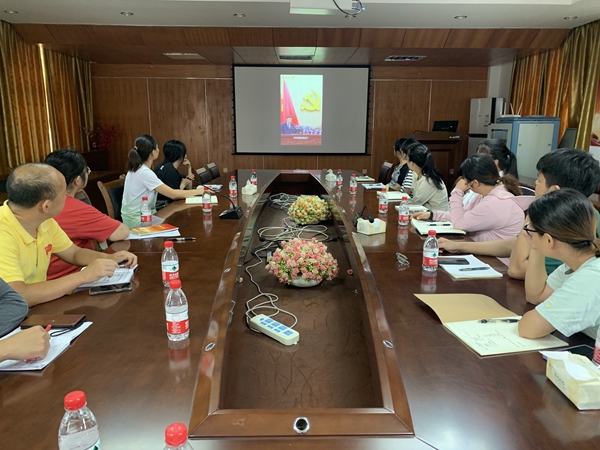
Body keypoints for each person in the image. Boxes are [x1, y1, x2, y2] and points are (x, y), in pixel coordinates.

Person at [437, 149, 600, 277]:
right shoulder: (587, 212)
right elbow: (513, 244)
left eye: (539, 180)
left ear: (554, 191)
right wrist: (460, 246)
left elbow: (517, 269)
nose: (535, 183)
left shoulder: (565, 220)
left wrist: (533, 214)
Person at [0, 163, 137, 307]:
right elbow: (18, 296)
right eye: (63, 194)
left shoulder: (44, 221)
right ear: (46, 206)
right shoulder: (4, 234)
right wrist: (83, 276)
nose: (67, 198)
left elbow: (73, 253)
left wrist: (109, 258)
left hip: (39, 306)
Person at [518, 189, 600, 339]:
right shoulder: (578, 260)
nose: (526, 234)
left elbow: (529, 329)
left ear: (549, 240)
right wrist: (536, 247)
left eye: (530, 230)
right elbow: (536, 296)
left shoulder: (591, 277)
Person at [44, 150, 130, 280]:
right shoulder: (73, 208)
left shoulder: (43, 205)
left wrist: (109, 257)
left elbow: (74, 253)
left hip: (55, 279)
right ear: (77, 180)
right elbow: (121, 232)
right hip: (71, 279)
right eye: (87, 171)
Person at [413, 153, 530, 242]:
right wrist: (433, 215)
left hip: (496, 261)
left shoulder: (496, 202)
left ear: (475, 183)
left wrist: (457, 192)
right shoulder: (485, 195)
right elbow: (463, 215)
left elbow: (459, 223)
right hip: (480, 250)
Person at [121, 134, 206, 228]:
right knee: (179, 226)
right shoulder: (144, 172)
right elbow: (173, 194)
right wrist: (201, 190)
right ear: (153, 152)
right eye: (157, 147)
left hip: (143, 216)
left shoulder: (136, 169)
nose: (158, 150)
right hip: (138, 221)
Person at [463, 140, 519, 206]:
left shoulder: (494, 186)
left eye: (481, 159)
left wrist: (457, 192)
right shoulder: (481, 179)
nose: (476, 162)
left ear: (495, 162)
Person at [406, 143, 449, 211]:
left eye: (407, 159)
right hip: (425, 212)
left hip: (437, 216)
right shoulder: (416, 174)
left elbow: (415, 203)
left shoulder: (428, 181)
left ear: (412, 163)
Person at [154, 140, 195, 205]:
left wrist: (189, 168)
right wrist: (183, 184)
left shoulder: (164, 166)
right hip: (163, 206)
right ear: (181, 156)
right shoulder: (170, 171)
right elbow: (177, 198)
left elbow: (189, 187)